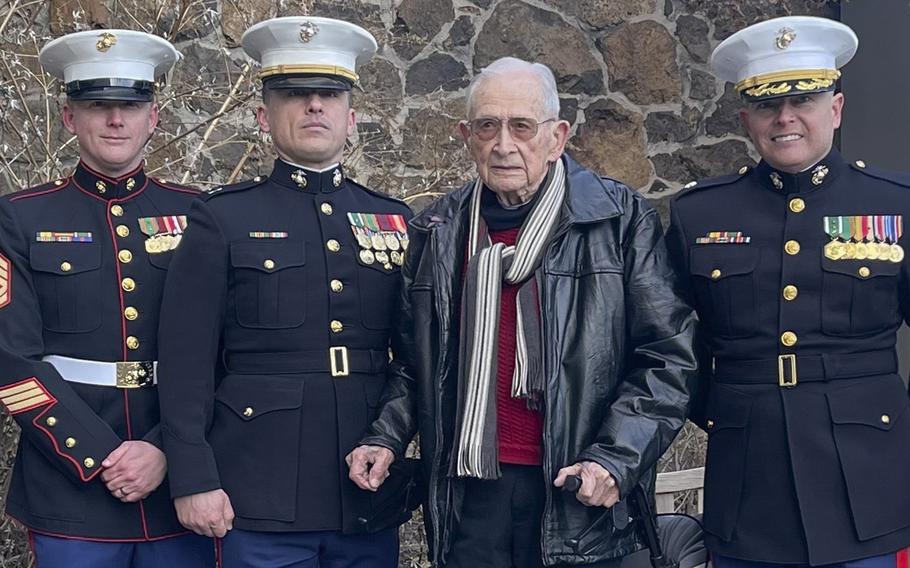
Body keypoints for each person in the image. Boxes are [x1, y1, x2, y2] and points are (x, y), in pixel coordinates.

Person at [347, 57, 698, 568]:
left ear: (556, 137)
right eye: (488, 126)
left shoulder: (618, 221)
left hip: (578, 490)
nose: (504, 144)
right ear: (467, 136)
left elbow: (668, 357)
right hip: (468, 495)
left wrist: (614, 461)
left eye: (522, 126)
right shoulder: (437, 231)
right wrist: (385, 437)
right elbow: (411, 362)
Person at [155, 16, 414, 568]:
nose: (314, 106)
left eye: (329, 95)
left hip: (364, 488)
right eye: (295, 95)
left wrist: (394, 441)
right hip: (256, 491)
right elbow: (184, 363)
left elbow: (415, 359)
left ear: (352, 117)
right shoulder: (222, 217)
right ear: (263, 116)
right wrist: (193, 477)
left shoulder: (393, 219)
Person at [667, 15, 910, 568]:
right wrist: (723, 411)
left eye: (803, 99)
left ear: (836, 108)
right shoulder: (699, 213)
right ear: (746, 118)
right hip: (749, 484)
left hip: (870, 483)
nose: (786, 118)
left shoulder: (896, 205)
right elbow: (672, 343)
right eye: (768, 105)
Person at [0, 29, 214, 567]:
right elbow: (11, 360)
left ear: (154, 117)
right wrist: (100, 456)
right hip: (70, 486)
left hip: (179, 485)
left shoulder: (201, 215)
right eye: (97, 105)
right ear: (70, 118)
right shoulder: (19, 219)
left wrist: (166, 448)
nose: (115, 120)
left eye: (131, 105)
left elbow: (228, 348)